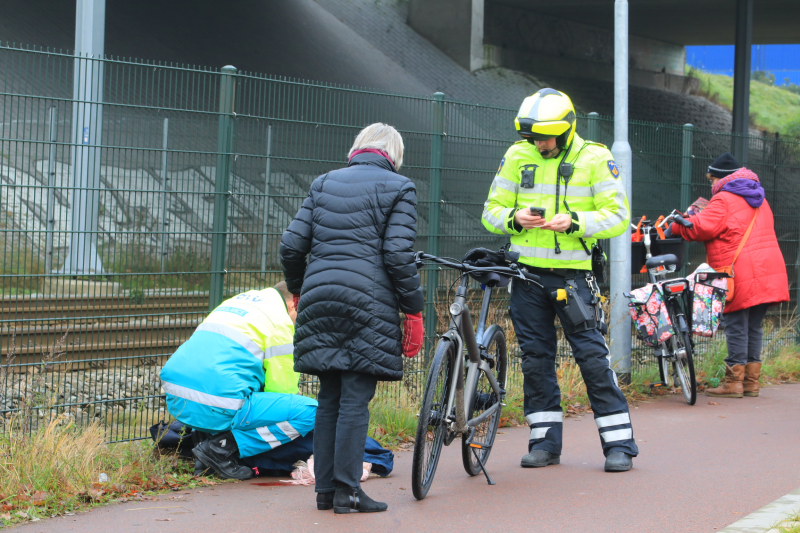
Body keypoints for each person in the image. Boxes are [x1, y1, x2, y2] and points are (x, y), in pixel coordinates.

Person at [482, 88, 638, 472]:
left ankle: (620, 445)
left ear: (568, 130)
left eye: (547, 137)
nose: (540, 144)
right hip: (528, 278)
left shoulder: (596, 158)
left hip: (573, 279)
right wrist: (515, 218)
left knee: (592, 359)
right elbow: (490, 211)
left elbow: (618, 216)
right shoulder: (518, 156)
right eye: (533, 137)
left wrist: (578, 222)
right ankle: (544, 443)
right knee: (535, 361)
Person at [280, 123, 424, 513]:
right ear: (393, 156)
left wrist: (298, 288)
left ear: (357, 149)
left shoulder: (324, 183)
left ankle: (325, 491)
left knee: (329, 397)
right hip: (367, 302)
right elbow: (396, 255)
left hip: (320, 297)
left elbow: (292, 245)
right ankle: (349, 492)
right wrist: (413, 309)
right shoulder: (400, 188)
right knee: (355, 399)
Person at [159, 282, 318, 480]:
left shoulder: (239, 302)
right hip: (219, 405)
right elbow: (281, 391)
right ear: (294, 304)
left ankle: (204, 457)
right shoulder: (279, 322)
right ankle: (219, 449)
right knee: (312, 412)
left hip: (178, 400)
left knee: (235, 387)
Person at [670, 152, 789, 398]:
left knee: (735, 324)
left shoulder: (724, 199)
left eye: (713, 180)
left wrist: (676, 225)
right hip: (768, 267)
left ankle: (733, 383)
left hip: (740, 270)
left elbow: (701, 228)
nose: (711, 185)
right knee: (754, 326)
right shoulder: (759, 196)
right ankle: (751, 383)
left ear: (722, 179)